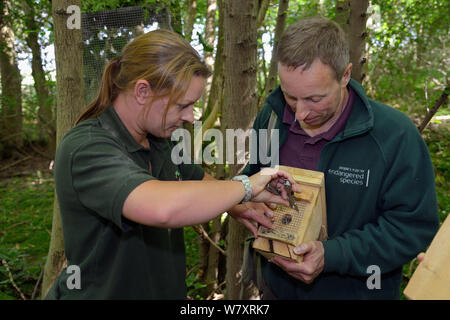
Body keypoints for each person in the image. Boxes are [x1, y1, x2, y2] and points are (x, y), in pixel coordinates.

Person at [45, 29, 300, 299]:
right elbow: (162, 207)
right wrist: (246, 186)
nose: (190, 117)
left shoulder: (157, 140)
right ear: (142, 91)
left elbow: (194, 178)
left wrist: (240, 205)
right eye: (182, 106)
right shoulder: (88, 148)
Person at [239, 16, 439, 299]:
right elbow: (254, 176)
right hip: (276, 289)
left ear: (345, 76)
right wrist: (247, 201)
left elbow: (412, 229)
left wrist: (332, 255)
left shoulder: (394, 136)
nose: (300, 114)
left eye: (314, 99)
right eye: (290, 97)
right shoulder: (270, 118)